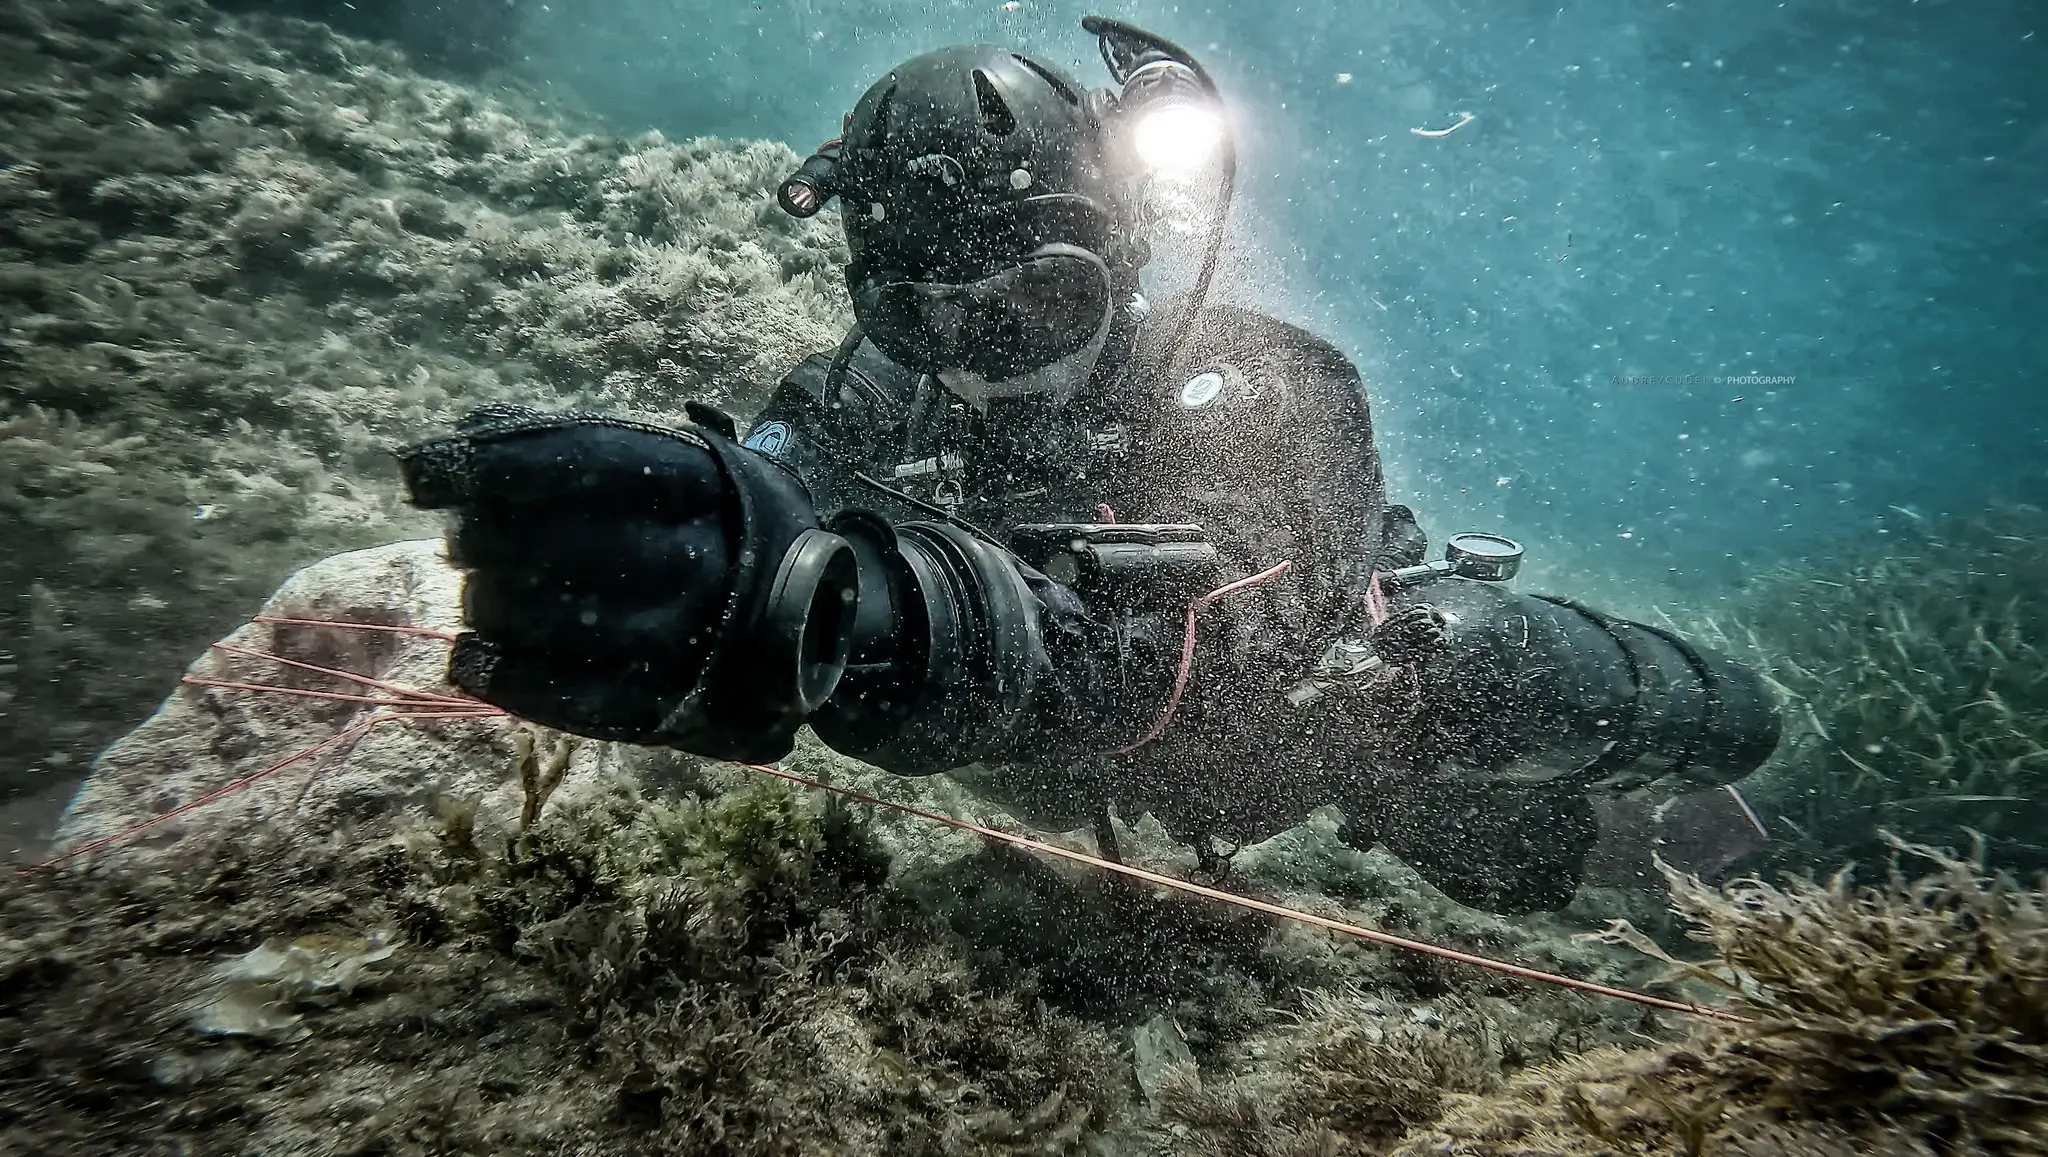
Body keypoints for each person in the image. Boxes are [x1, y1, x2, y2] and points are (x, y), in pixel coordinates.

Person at [396, 19, 1781, 914]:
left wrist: (914, 623)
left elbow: (1217, 648)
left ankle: (1652, 803)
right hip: (1064, 770)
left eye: (1035, 303)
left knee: (1478, 725)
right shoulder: (863, 392)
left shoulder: (1272, 388)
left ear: (1119, 259)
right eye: (923, 315)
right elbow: (766, 490)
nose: (981, 359)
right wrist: (696, 532)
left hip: (1302, 743)